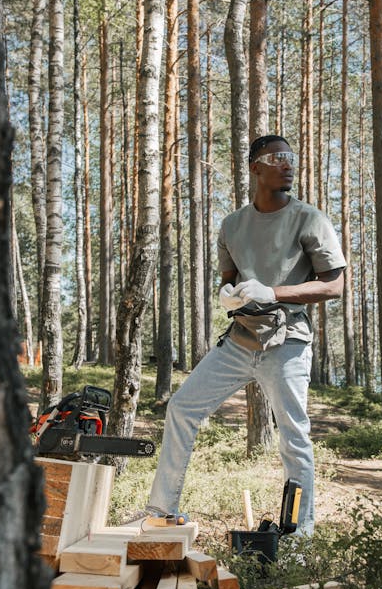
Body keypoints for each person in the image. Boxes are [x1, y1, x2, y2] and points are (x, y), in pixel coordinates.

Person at [142, 135, 346, 536]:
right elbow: (229, 279)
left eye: (291, 157)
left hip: (287, 342)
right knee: (182, 408)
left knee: (294, 437)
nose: (288, 164)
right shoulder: (232, 225)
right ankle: (162, 511)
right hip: (240, 340)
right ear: (255, 167)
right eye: (278, 158)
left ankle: (300, 538)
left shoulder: (309, 219)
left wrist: (274, 292)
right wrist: (228, 296)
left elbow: (333, 285)